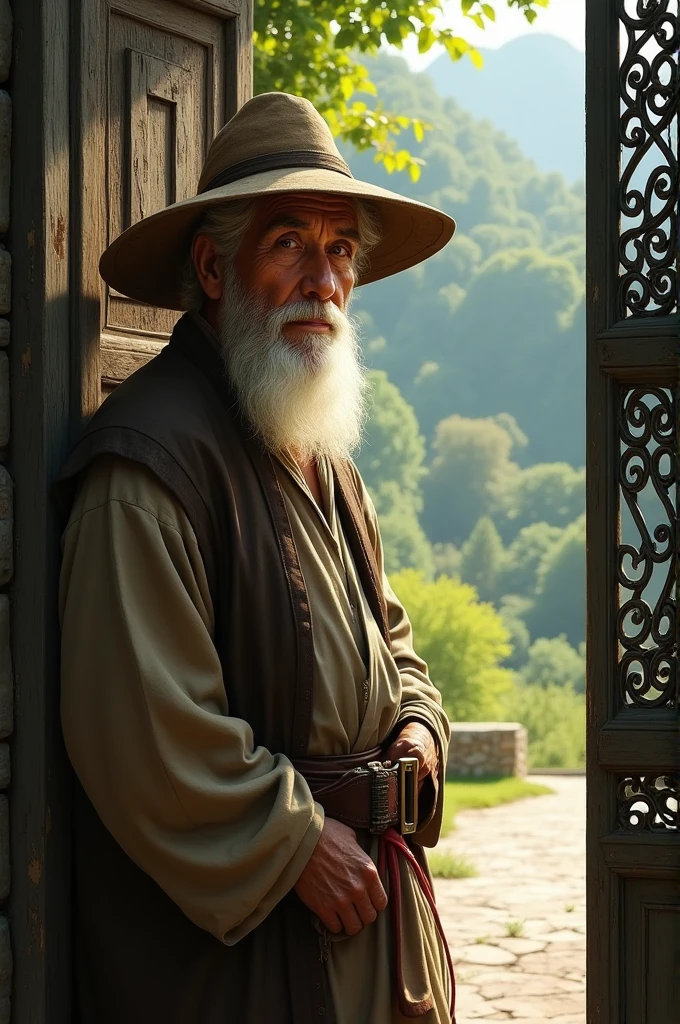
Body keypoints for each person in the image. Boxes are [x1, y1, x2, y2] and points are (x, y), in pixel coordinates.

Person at [57, 91, 457, 1024]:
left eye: (342, 249)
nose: (324, 278)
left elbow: (394, 646)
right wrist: (296, 846)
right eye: (289, 243)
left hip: (365, 936)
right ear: (212, 265)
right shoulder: (148, 463)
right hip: (244, 967)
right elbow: (146, 734)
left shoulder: (321, 457)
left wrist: (418, 736)